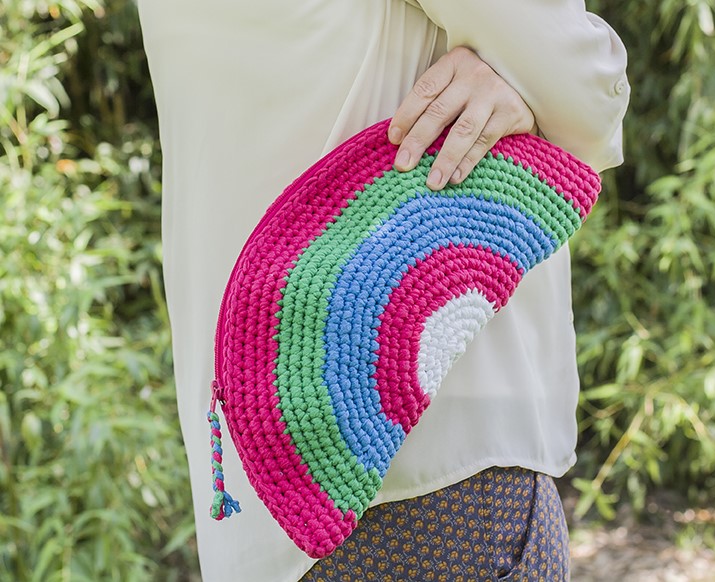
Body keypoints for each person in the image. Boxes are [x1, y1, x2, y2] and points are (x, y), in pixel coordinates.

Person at [137, 1, 629, 580]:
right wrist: (530, 87)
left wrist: (524, 79)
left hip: (261, 480)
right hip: (444, 484)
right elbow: (584, 86)